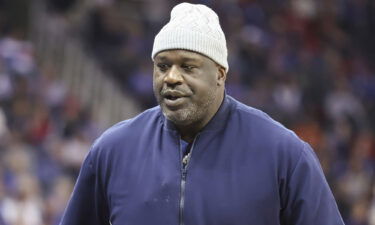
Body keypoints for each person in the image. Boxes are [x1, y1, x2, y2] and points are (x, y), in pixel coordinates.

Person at [60, 2, 345, 225]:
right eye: (162, 65)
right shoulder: (113, 150)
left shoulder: (284, 154)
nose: (171, 77)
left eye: (188, 66)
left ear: (220, 74)